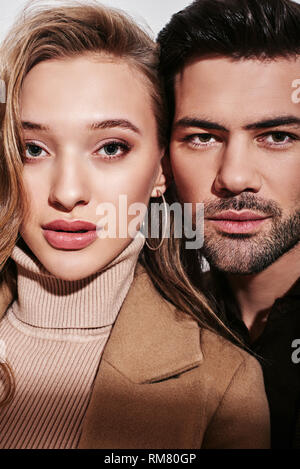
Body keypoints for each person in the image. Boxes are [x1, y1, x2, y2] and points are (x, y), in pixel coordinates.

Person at [0, 0, 269, 449]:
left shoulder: (225, 387)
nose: (67, 193)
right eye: (34, 149)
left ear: (161, 168)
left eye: (110, 148)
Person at [156, 0, 300, 449]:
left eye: (278, 136)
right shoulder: (131, 295)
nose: (235, 177)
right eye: (202, 138)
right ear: (162, 156)